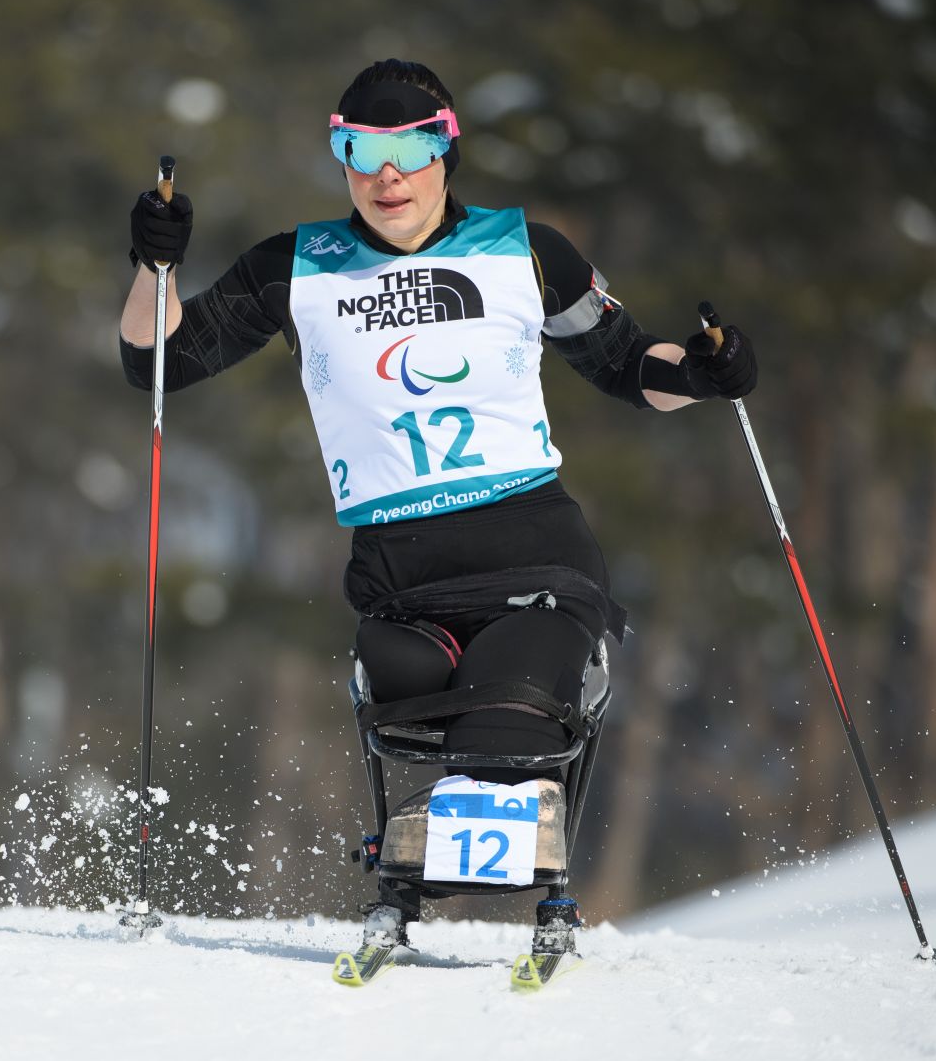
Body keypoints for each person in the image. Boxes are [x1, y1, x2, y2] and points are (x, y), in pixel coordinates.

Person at [118, 59, 756, 948]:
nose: (388, 175)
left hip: (532, 559)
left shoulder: (524, 250)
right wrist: (153, 268)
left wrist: (704, 372)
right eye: (361, 150)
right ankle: (433, 853)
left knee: (503, 721)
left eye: (413, 150)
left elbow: (624, 363)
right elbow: (159, 362)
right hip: (400, 582)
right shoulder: (295, 266)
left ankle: (464, 851)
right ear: (340, 157)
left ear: (447, 152)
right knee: (406, 702)